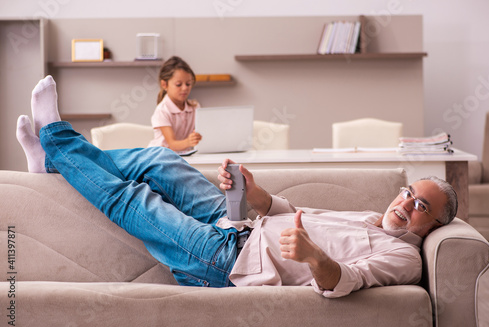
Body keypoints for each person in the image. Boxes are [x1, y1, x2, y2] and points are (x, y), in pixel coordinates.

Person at [16, 76, 458, 298]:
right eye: (408, 193)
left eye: (421, 205)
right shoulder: (370, 219)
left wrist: (313, 256)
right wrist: (256, 193)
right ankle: (53, 166)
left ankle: (55, 139)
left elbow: (344, 282)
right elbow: (288, 210)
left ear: (432, 223)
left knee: (135, 199)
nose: (407, 204)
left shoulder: (402, 258)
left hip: (227, 262)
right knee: (160, 159)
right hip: (240, 222)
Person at [147, 56, 202, 152]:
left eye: (188, 84)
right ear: (164, 85)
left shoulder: (195, 107)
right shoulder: (162, 110)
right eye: (178, 84)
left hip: (182, 157)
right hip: (158, 158)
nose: (185, 88)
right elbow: (172, 144)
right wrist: (189, 142)